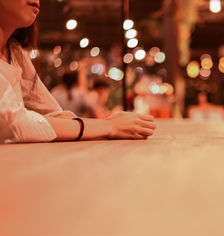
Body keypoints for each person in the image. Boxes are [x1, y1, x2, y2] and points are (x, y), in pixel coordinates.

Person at [0, 0, 155, 143]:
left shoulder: (14, 51)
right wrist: (109, 126)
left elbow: (52, 114)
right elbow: (15, 123)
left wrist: (110, 123)